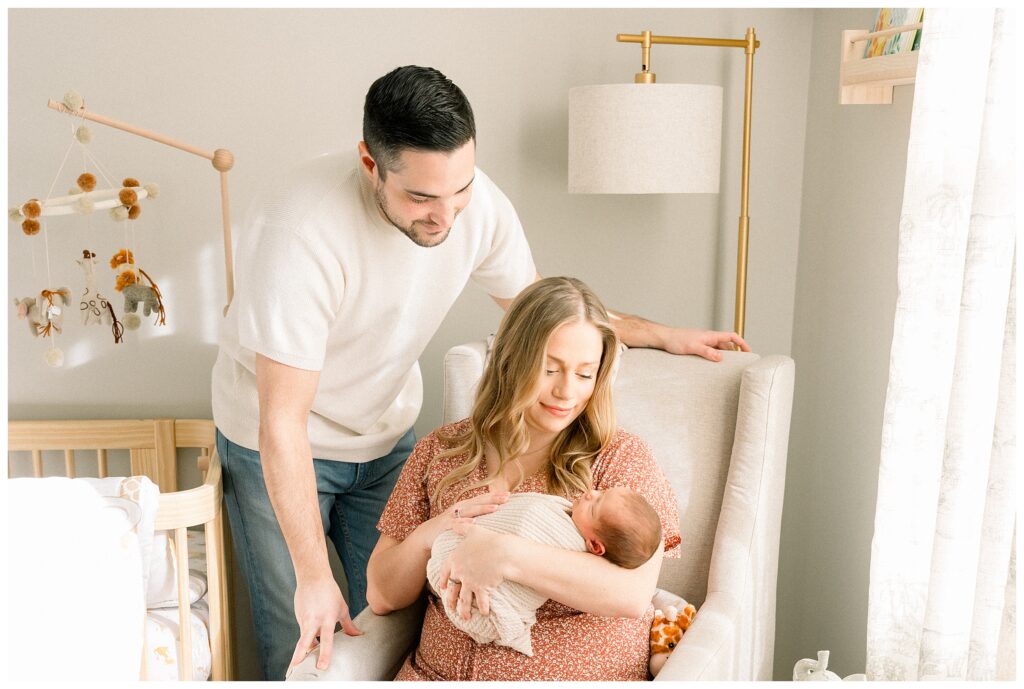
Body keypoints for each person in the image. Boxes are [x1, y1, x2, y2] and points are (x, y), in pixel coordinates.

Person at [210, 64, 748, 680]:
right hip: (277, 440)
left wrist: (659, 333)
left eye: (458, 190)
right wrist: (310, 577)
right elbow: (283, 421)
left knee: (387, 614)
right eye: (421, 197)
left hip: (382, 432)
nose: (446, 216)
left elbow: (543, 309)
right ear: (370, 164)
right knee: (304, 635)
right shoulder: (300, 232)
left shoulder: (478, 205)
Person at [367, 276, 682, 681]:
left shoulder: (619, 459)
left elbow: (631, 595)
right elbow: (381, 594)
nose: (567, 391)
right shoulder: (441, 450)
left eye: (585, 375)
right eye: (549, 369)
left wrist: (504, 555)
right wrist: (436, 532)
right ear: (511, 360)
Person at [425, 487, 662, 656]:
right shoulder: (566, 511)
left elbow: (632, 598)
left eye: (595, 505)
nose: (591, 492)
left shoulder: (569, 540)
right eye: (601, 492)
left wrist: (501, 549)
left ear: (595, 546)